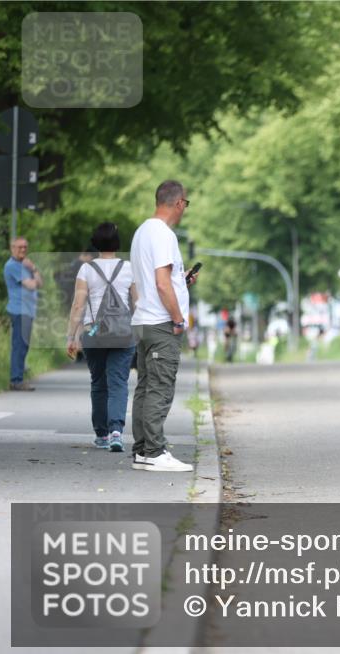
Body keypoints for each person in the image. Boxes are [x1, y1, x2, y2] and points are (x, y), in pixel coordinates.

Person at [129, 180, 197, 472]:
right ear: (179, 203)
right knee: (160, 388)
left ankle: (143, 451)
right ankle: (155, 452)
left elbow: (149, 281)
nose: (185, 209)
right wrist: (178, 318)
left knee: (145, 387)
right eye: (186, 204)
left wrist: (182, 281)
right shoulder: (164, 234)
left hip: (144, 321)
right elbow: (161, 283)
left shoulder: (142, 232)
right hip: (160, 323)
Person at [65, 223, 138, 452]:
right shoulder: (129, 268)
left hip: (93, 333)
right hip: (123, 333)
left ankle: (102, 434)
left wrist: (71, 336)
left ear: (95, 243)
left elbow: (78, 305)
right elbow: (137, 303)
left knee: (98, 383)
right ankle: (116, 431)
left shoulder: (86, 269)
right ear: (117, 243)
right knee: (118, 383)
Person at [3, 236, 42, 390]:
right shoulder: (12, 266)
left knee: (23, 345)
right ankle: (16, 380)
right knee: (19, 345)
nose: (23, 250)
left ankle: (18, 378)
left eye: (25, 247)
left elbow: (40, 283)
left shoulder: (25, 265)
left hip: (27, 310)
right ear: (12, 248)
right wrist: (33, 270)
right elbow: (32, 285)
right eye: (20, 247)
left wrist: (34, 270)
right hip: (19, 310)